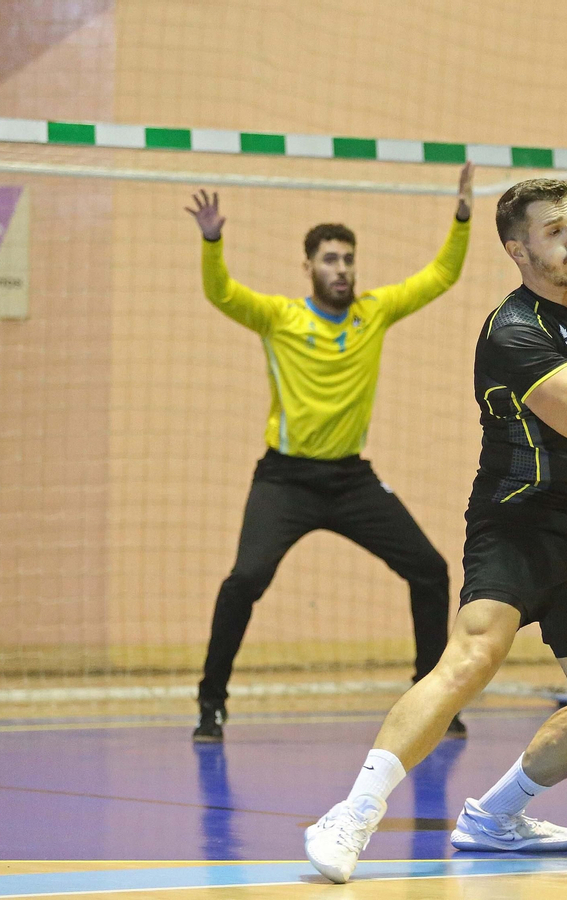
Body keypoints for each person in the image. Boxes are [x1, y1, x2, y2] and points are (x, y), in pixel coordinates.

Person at [303, 177, 567, 884]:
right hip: (515, 526)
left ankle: (494, 815)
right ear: (519, 251)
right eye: (555, 231)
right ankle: (352, 812)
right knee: (470, 659)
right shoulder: (511, 330)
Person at [184, 164, 474, 742]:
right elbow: (221, 293)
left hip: (350, 481)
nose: (341, 269)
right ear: (309, 267)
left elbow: (440, 276)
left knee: (430, 570)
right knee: (245, 578)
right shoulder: (279, 318)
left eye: (347, 259)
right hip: (284, 481)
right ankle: (211, 703)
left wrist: (462, 218)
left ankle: (432, 700)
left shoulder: (375, 311)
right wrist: (213, 242)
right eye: (330, 260)